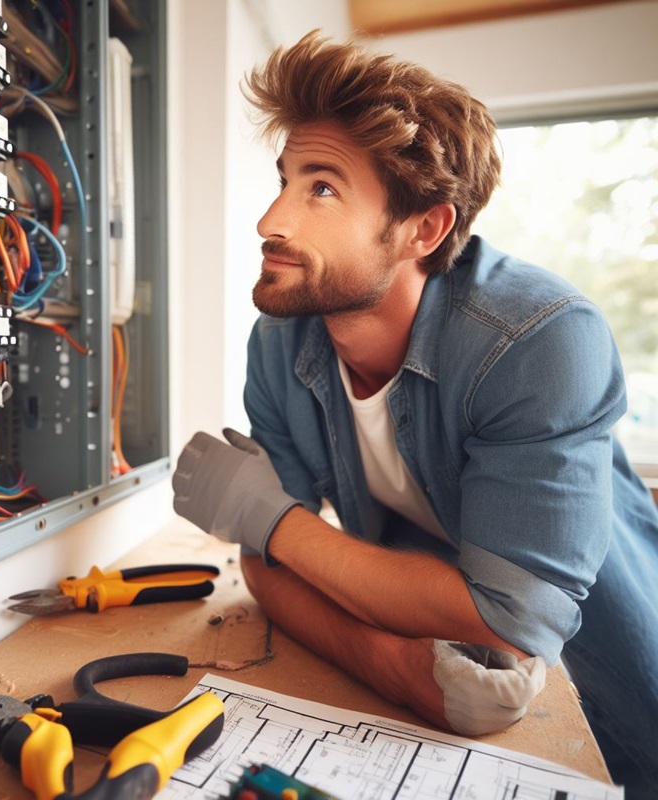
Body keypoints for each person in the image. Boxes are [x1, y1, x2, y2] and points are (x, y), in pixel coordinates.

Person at [172, 31, 658, 797]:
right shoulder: (278, 344)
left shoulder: (541, 341)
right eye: (285, 179)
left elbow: (506, 617)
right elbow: (265, 567)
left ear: (424, 229)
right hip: (426, 694)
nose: (272, 220)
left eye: (321, 188)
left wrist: (272, 519)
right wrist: (392, 665)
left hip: (608, 689)